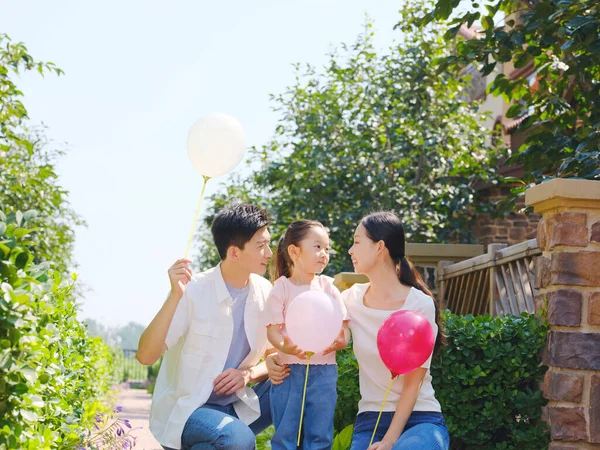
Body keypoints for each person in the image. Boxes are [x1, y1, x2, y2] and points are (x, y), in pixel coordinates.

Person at [267, 212, 450, 450]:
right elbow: (298, 322)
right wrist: (272, 355)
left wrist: (389, 442)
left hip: (420, 417)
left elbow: (412, 385)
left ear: (379, 247)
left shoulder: (419, 304)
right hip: (371, 418)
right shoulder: (349, 300)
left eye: (357, 241)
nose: (350, 250)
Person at [137, 204, 275, 450]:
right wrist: (174, 296)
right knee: (237, 439)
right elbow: (146, 355)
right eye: (261, 246)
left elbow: (276, 358)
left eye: (268, 243)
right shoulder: (193, 290)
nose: (270, 253)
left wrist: (248, 375)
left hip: (237, 406)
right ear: (234, 252)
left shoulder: (265, 291)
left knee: (295, 376)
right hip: (191, 410)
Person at [265, 219, 349, 450]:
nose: (324, 254)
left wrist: (342, 340)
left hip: (324, 372)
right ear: (294, 251)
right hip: (290, 371)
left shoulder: (329, 287)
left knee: (320, 434)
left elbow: (344, 329)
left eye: (327, 249)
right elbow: (272, 330)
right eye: (317, 247)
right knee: (285, 434)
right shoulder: (282, 287)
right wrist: (284, 346)